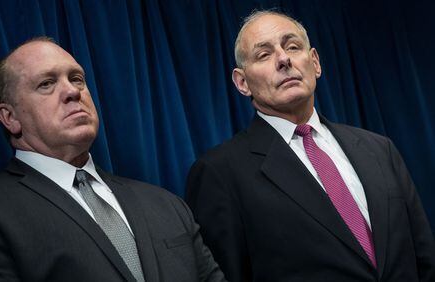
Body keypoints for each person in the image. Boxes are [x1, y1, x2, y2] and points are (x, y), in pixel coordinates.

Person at [0, 37, 225, 282]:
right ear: (10, 117)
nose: (73, 91)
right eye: (46, 83)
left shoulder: (167, 204)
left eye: (76, 79)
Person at [186, 10, 435, 282]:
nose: (283, 59)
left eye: (292, 46)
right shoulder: (218, 173)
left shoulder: (379, 149)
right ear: (242, 82)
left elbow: (424, 258)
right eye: (264, 55)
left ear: (315, 62)